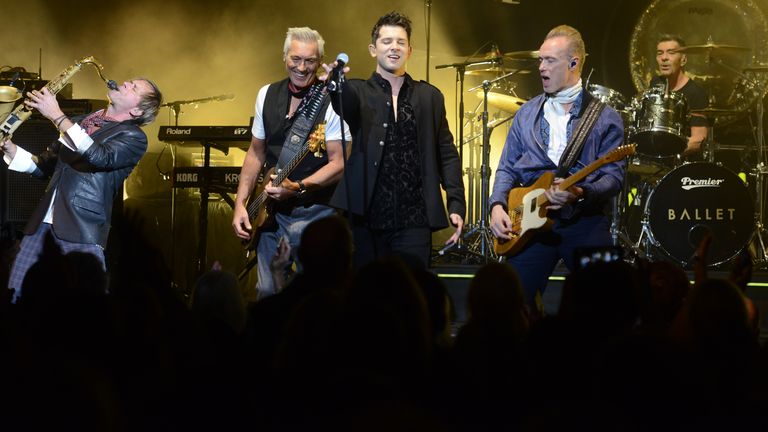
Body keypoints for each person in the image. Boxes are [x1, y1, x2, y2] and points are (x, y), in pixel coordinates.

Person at [489, 25, 625, 310]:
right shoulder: (526, 113)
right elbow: (506, 169)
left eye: (549, 60)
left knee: (608, 303)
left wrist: (581, 191)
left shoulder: (605, 118)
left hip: (584, 222)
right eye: (541, 59)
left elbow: (613, 177)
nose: (541, 67)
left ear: (574, 63)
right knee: (507, 305)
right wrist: (497, 206)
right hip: (529, 223)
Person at [322, 11, 465, 268]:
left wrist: (456, 202)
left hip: (414, 218)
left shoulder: (429, 97)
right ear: (373, 49)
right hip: (367, 217)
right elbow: (345, 101)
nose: (394, 48)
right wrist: (336, 83)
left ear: (409, 50)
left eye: (400, 42)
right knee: (366, 296)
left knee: (410, 295)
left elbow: (447, 153)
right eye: (387, 41)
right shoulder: (358, 90)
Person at [0, 78, 162, 301]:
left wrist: (57, 116)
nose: (125, 83)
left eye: (133, 87)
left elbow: (99, 157)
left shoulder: (133, 137)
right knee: (16, 294)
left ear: (136, 111)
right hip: (42, 223)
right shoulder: (79, 123)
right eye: (129, 81)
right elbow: (44, 166)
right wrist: (10, 147)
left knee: (88, 303)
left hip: (81, 227)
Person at [232, 27, 346, 299]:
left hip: (316, 213)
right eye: (296, 59)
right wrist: (240, 204)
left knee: (318, 296)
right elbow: (255, 153)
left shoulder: (333, 101)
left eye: (310, 61)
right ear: (284, 57)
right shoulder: (266, 94)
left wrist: (297, 187)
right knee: (267, 293)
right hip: (270, 214)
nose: (302, 67)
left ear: (320, 62)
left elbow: (339, 163)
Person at [650, 34, 708, 157]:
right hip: (655, 154)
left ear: (683, 60)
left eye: (671, 53)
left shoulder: (696, 93)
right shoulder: (655, 83)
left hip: (679, 162)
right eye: (660, 53)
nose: (664, 58)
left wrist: (668, 155)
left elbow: (698, 139)